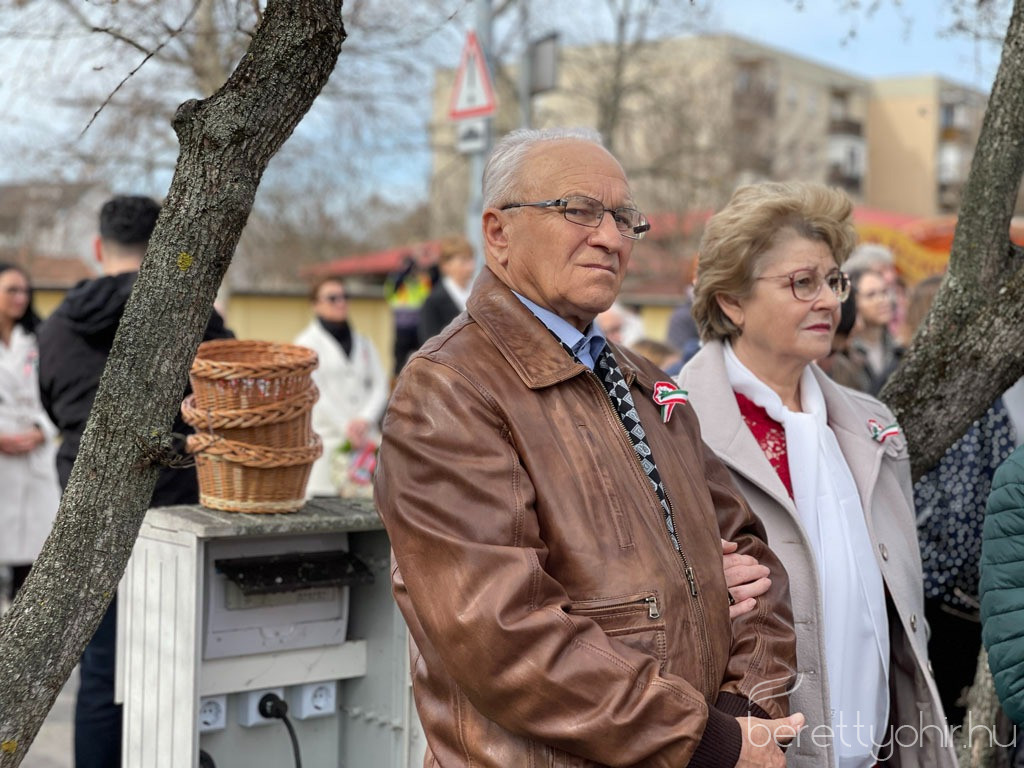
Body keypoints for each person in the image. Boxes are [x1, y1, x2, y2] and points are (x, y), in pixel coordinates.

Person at [374, 127, 802, 768]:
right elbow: (503, 636)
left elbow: (753, 563)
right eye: (578, 210)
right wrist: (705, 741)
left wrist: (745, 716)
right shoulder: (449, 388)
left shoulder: (644, 380)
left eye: (624, 219)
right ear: (498, 233)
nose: (610, 237)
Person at [677, 180, 955, 767]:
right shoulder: (673, 424)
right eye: (802, 282)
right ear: (731, 301)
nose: (829, 301)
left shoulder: (872, 425)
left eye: (834, 280)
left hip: (882, 749)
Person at [38, 195, 233, 768]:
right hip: (175, 512)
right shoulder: (190, 314)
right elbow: (225, 393)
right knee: (178, 664)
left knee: (101, 668)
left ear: (98, 247)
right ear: (160, 247)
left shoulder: (58, 326)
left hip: (87, 511)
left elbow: (53, 405)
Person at [906, 275, 1016, 724]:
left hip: (949, 592)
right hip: (952, 598)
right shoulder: (963, 395)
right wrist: (958, 584)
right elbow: (964, 505)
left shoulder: (962, 391)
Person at [293, 276, 388, 497]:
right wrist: (346, 426)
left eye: (344, 297)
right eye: (332, 298)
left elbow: (380, 385)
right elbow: (312, 389)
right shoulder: (305, 344)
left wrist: (365, 419)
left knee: (369, 503)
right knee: (325, 505)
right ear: (315, 304)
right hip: (328, 440)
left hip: (366, 443)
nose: (341, 302)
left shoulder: (364, 343)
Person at [0, 262, 60, 605]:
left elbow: (57, 391)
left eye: (25, 291)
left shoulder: (40, 338)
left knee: (34, 549)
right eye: (12, 290)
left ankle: (19, 624)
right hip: (3, 455)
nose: (21, 298)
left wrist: (41, 429)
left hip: (36, 455)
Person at [847, 267, 904, 396]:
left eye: (885, 292)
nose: (882, 299)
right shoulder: (846, 352)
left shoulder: (898, 347)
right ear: (853, 302)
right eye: (871, 295)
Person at [385, 243, 439, 376]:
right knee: (399, 364)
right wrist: (413, 260)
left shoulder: (422, 281)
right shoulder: (396, 281)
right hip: (402, 330)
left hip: (419, 328)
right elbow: (398, 280)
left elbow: (436, 279)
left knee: (421, 362)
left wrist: (431, 261)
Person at [417, 234, 475, 344]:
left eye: (471, 259)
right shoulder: (433, 302)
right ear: (446, 265)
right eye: (463, 261)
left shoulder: (480, 293)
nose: (470, 266)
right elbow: (429, 344)